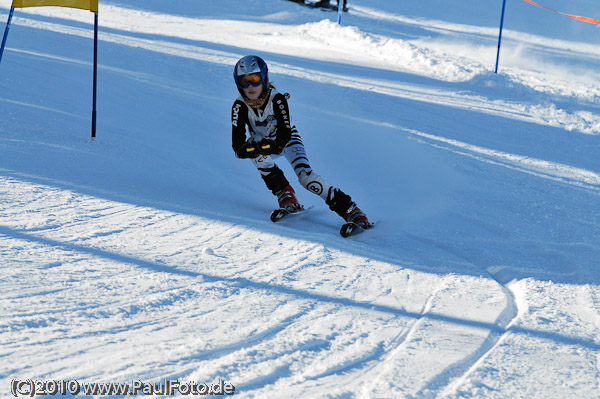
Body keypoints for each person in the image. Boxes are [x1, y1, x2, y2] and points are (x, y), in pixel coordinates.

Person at [230, 55, 370, 227]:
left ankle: (351, 211)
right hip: (264, 144)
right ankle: (285, 195)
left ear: (264, 78)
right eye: (244, 82)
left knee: (306, 178)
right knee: (257, 155)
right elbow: (237, 141)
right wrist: (245, 149)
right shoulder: (239, 106)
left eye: (254, 79)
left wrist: (270, 146)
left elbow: (284, 134)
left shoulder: (277, 99)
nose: (250, 86)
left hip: (287, 140)